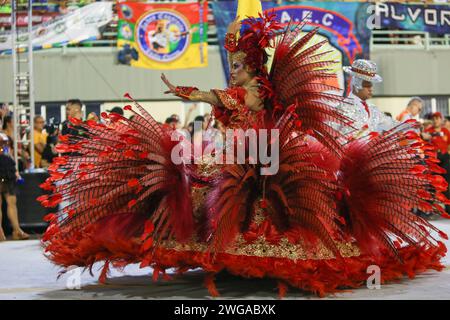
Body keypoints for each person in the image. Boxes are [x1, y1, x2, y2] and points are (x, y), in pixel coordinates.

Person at [39, 9, 448, 297]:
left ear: (252, 69)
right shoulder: (249, 88)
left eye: (237, 64)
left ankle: (259, 257)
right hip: (234, 154)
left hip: (254, 159)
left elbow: (217, 94)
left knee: (254, 201)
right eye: (231, 63)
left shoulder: (250, 91)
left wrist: (188, 91)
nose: (232, 69)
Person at [336, 59, 397, 137]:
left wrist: (408, 125)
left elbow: (390, 124)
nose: (371, 89)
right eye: (367, 85)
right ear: (356, 85)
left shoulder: (373, 109)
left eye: (371, 85)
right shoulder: (343, 107)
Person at [0, 132, 29, 241]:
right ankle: (1, 232)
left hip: (7, 168)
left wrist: (16, 172)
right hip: (4, 168)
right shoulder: (4, 136)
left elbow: (8, 153)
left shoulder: (4, 136)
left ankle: (17, 230)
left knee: (12, 201)